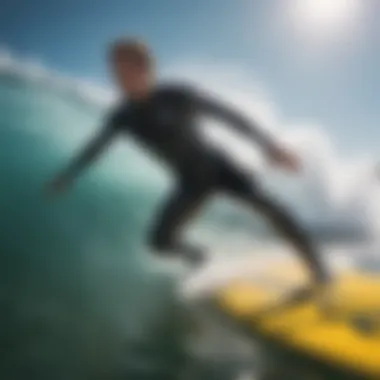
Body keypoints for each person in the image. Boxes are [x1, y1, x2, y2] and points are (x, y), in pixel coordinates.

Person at [45, 37, 330, 287]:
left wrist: (269, 146)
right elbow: (96, 146)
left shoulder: (177, 95)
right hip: (190, 183)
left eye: (122, 68)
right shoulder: (122, 116)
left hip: (220, 168)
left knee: (273, 210)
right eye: (113, 70)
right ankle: (202, 259)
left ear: (144, 68)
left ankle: (319, 271)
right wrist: (69, 175)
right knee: (159, 242)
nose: (116, 76)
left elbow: (228, 116)